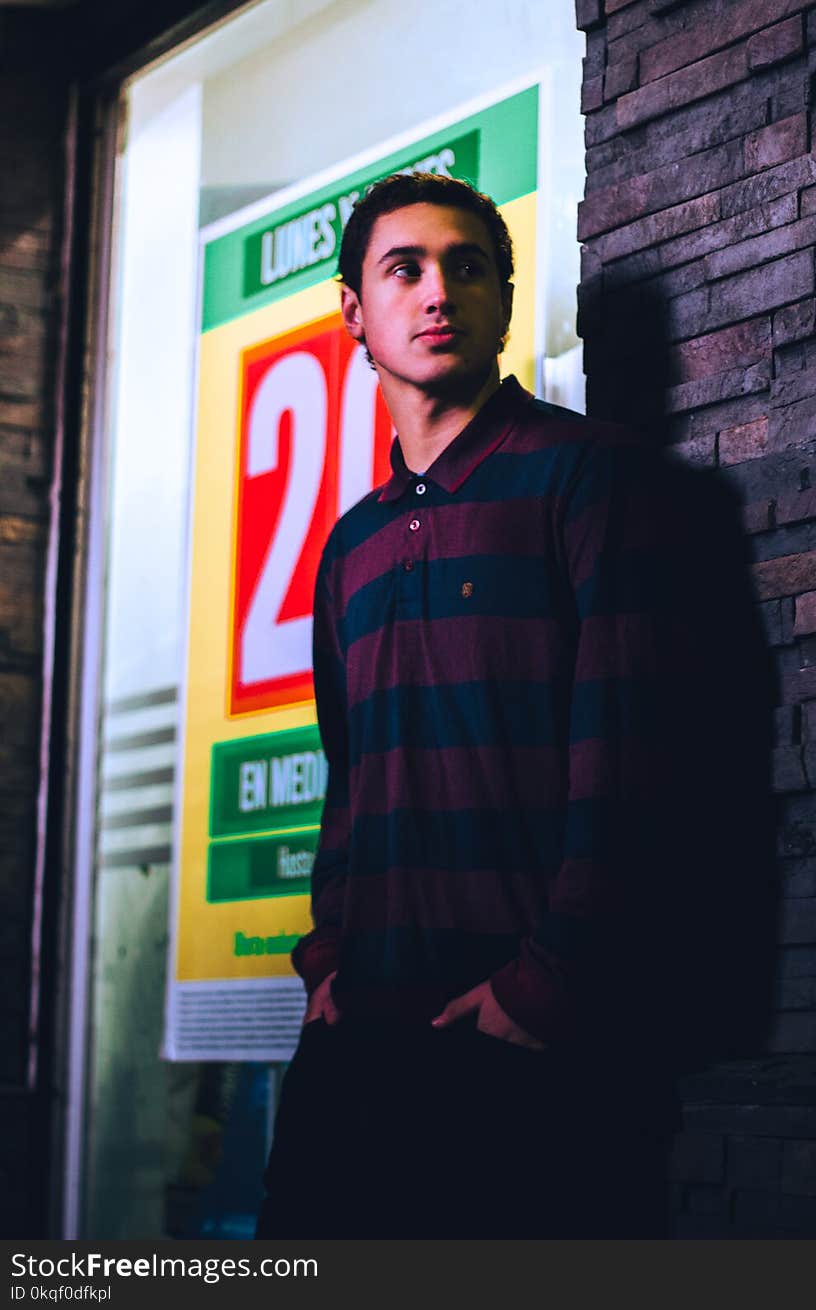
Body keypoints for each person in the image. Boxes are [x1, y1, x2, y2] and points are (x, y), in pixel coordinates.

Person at [256, 172, 682, 1240]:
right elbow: (350, 781)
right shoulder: (349, 546)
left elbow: (626, 755)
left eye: (467, 266)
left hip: (520, 1031)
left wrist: (549, 983)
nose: (438, 290)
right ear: (355, 311)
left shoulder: (587, 479)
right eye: (404, 268)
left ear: (501, 297)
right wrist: (328, 963)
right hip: (361, 1031)